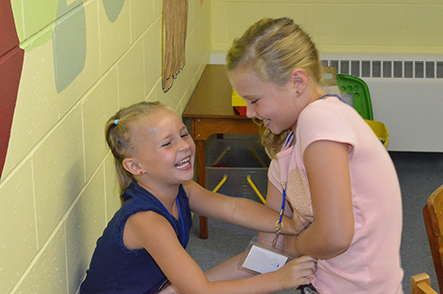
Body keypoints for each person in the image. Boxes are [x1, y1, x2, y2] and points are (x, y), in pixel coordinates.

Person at [222, 17, 404, 293]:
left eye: (254, 100)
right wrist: (189, 285)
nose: (249, 113)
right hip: (321, 284)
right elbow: (269, 250)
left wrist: (296, 244)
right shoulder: (288, 147)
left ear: (297, 81)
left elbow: (334, 236)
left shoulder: (320, 119)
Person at [79, 101, 316, 294]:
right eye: (167, 143)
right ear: (135, 166)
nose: (184, 146)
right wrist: (278, 281)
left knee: (256, 261)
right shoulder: (146, 221)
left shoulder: (183, 190)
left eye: (183, 134)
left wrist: (289, 224)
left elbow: (233, 208)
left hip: (158, 288)